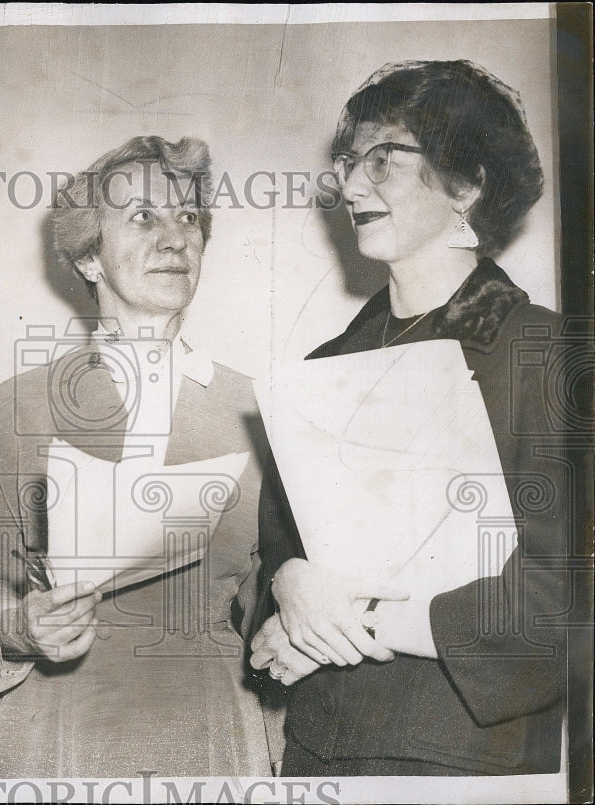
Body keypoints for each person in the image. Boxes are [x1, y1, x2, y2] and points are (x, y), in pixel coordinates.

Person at [249, 60, 570, 776]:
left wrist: (356, 622)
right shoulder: (322, 365)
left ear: (468, 183)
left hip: (463, 756)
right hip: (317, 749)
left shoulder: (545, 352)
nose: (352, 185)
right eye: (349, 161)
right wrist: (286, 584)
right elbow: (276, 548)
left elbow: (565, 596)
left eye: (383, 160)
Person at [0, 136, 279, 777]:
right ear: (88, 259)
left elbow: (268, 601)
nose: (174, 238)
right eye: (142, 217)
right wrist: (20, 628)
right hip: (57, 728)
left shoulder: (261, 411)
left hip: (207, 724)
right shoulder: (15, 405)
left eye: (188, 217)